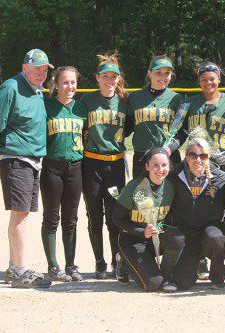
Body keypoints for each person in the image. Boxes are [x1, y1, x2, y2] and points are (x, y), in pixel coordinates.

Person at [0, 48, 53, 288]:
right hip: (15, 157)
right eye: (36, 69)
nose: (41, 74)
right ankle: (21, 271)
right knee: (20, 214)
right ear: (24, 68)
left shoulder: (37, 91)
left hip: (31, 159)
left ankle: (14, 268)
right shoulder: (10, 88)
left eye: (44, 70)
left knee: (22, 214)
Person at [179, 61, 225, 279]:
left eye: (212, 78)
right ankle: (198, 260)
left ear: (219, 79)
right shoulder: (191, 104)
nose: (209, 82)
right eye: (204, 79)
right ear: (199, 82)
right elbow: (180, 132)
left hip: (223, 166)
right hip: (196, 164)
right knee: (195, 209)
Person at [81, 53, 128, 279]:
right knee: (94, 215)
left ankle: (116, 261)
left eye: (113, 76)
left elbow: (128, 128)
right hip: (91, 164)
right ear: (97, 77)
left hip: (116, 164)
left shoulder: (124, 101)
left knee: (114, 216)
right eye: (105, 76)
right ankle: (99, 262)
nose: (110, 80)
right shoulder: (87, 101)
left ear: (118, 78)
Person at [162, 138, 225, 291]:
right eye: (192, 155)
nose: (198, 160)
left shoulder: (221, 178)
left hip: (209, 233)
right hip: (187, 235)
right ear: (185, 156)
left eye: (203, 156)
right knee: (183, 283)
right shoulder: (173, 176)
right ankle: (193, 263)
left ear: (209, 157)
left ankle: (218, 275)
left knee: (215, 237)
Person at [40, 66, 87, 282]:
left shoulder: (81, 108)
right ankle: (53, 266)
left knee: (71, 219)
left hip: (76, 167)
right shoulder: (46, 106)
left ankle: (70, 265)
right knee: (51, 217)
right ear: (56, 84)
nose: (70, 87)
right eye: (65, 82)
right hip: (52, 167)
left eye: (73, 82)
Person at [112, 148, 179, 292]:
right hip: (133, 239)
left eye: (164, 165)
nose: (160, 169)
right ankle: (123, 262)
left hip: (157, 238)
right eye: (155, 165)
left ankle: (166, 274)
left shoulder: (171, 187)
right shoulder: (134, 187)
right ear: (147, 166)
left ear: (169, 166)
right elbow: (117, 219)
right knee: (153, 284)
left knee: (177, 238)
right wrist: (142, 232)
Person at [127, 55, 184, 179]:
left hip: (169, 156)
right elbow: (126, 127)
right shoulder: (135, 98)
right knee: (142, 195)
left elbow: (181, 133)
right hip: (142, 157)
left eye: (167, 73)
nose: (163, 77)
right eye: (158, 72)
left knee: (171, 196)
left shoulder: (176, 99)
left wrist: (169, 149)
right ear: (149, 73)